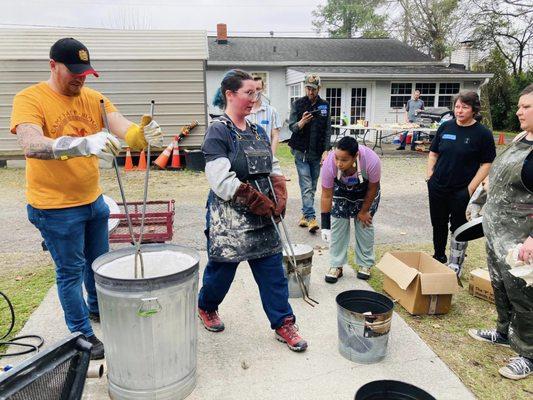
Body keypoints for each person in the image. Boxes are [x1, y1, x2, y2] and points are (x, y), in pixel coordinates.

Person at [10, 38, 163, 360]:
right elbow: (30, 143)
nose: (80, 78)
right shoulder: (30, 98)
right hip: (53, 207)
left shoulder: (94, 99)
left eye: (85, 72)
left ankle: (97, 309)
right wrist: (76, 145)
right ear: (53, 65)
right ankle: (81, 333)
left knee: (98, 264)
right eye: (73, 72)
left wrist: (141, 133)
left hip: (92, 199)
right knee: (70, 271)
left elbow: (123, 128)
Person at [197, 69, 307, 352]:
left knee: (273, 272)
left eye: (256, 93)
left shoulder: (258, 131)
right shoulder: (218, 131)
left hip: (263, 216)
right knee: (221, 273)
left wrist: (279, 191)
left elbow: (273, 165)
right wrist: (254, 198)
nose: (254, 98)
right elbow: (220, 180)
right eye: (248, 93)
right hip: (230, 218)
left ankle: (284, 322)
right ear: (230, 95)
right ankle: (207, 307)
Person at [468, 84, 533, 381]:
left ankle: (529, 353)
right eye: (519, 106)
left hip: (522, 238)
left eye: (526, 107)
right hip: (496, 230)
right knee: (500, 285)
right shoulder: (521, 139)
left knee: (524, 294)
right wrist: (481, 200)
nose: (518, 111)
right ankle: (503, 332)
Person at [426, 91, 496, 276]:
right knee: (438, 223)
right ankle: (438, 256)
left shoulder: (483, 134)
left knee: (458, 226)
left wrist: (471, 188)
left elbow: (487, 163)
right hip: (438, 186)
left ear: (474, 110)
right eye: (457, 107)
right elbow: (433, 153)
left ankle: (455, 263)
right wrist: (430, 176)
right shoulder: (445, 127)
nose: (460, 111)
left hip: (462, 189)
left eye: (465, 107)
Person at [320, 137, 381, 282]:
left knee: (364, 224)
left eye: (344, 160)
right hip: (341, 192)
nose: (339, 163)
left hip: (365, 193)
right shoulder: (330, 164)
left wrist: (364, 211)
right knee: (338, 225)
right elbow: (326, 195)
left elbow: (373, 188)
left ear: (355, 156)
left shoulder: (371, 160)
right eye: (336, 158)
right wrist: (325, 226)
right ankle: (336, 265)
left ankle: (365, 264)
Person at [288, 74, 332, 233]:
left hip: (317, 152)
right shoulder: (297, 104)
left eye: (313, 89)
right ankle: (311, 218)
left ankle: (304, 216)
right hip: (300, 151)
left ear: (319, 88)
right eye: (307, 88)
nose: (310, 91)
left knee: (312, 186)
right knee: (306, 185)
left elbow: (328, 130)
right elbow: (291, 127)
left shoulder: (325, 105)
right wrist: (302, 122)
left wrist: (326, 150)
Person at [246, 76, 282, 154]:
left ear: (263, 89)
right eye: (253, 89)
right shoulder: (243, 111)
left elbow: (275, 136)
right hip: (247, 156)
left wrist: (271, 156)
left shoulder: (272, 111)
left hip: (265, 155)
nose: (255, 92)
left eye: (258, 89)